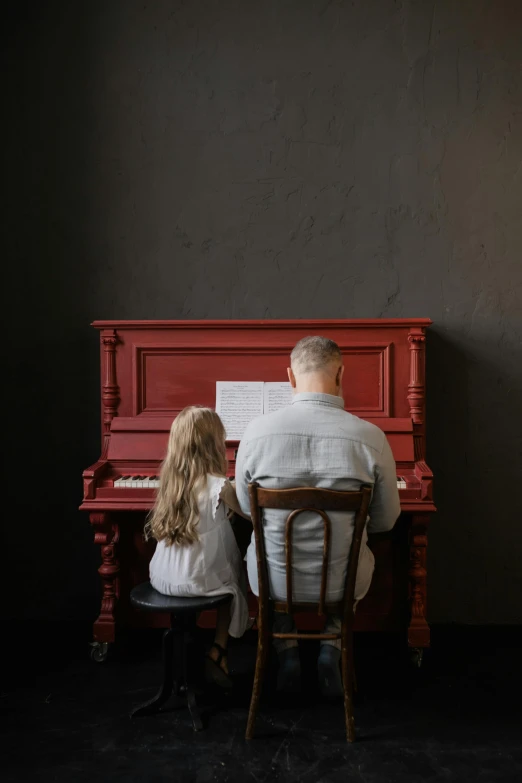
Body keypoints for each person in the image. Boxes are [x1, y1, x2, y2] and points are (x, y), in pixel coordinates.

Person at [235, 336, 401, 697]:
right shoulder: (371, 437)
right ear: (341, 373)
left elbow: (248, 512)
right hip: (343, 584)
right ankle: (332, 646)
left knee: (259, 552)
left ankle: (286, 649)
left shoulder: (255, 433)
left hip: (272, 584)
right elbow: (387, 521)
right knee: (357, 559)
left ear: (290, 378)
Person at [146, 406, 250, 688]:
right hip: (196, 581)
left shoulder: (171, 482)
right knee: (234, 581)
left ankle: (187, 658)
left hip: (162, 578)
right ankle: (218, 650)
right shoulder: (219, 485)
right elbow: (252, 513)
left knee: (222, 566)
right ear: (214, 444)